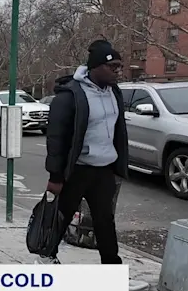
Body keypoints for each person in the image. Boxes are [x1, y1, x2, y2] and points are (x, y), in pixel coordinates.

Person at [42, 40, 129, 265]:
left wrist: (118, 165)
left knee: (104, 220)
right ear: (95, 68)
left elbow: (118, 131)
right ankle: (46, 256)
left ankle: (111, 266)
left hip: (104, 170)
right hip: (77, 169)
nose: (118, 72)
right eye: (113, 67)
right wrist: (55, 176)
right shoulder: (71, 94)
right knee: (61, 217)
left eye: (120, 67)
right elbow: (56, 137)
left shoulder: (114, 93)